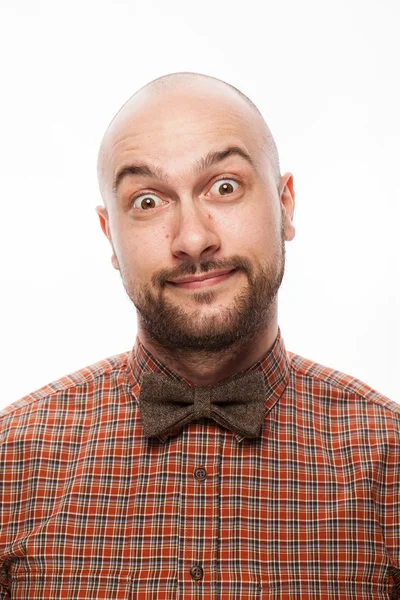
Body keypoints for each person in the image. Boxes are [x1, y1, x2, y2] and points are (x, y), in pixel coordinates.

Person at [0, 72, 399, 600]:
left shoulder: (390, 463)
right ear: (110, 237)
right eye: (148, 201)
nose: (193, 239)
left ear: (285, 205)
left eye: (225, 187)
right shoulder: (10, 463)